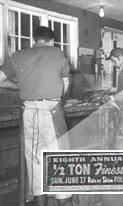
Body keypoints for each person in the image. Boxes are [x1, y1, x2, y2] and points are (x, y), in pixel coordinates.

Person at [0, 26, 74, 206]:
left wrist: (19, 86)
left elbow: (0, 80)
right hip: (51, 112)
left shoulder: (17, 55)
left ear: (34, 40)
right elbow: (64, 85)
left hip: (29, 112)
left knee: (34, 161)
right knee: (56, 159)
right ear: (51, 41)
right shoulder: (58, 53)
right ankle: (63, 201)